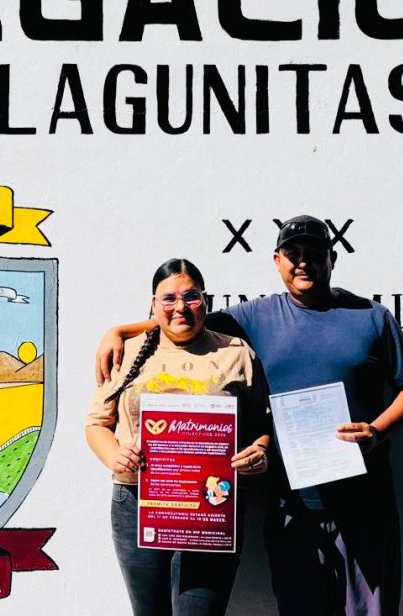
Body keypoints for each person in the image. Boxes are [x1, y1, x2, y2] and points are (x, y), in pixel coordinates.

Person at [96, 218, 403, 616]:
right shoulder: (254, 318)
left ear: (332, 259)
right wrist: (120, 330)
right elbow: (183, 318)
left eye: (314, 253)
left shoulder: (371, 316)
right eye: (293, 254)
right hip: (292, 507)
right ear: (277, 261)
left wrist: (376, 431)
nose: (302, 262)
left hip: (363, 501)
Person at [86, 258, 272, 616]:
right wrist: (114, 455)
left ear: (206, 300)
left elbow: (261, 424)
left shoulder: (235, 353)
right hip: (137, 503)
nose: (180, 307)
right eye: (168, 298)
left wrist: (259, 451)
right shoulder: (125, 352)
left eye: (191, 296)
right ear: (153, 305)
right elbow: (96, 423)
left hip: (212, 504)